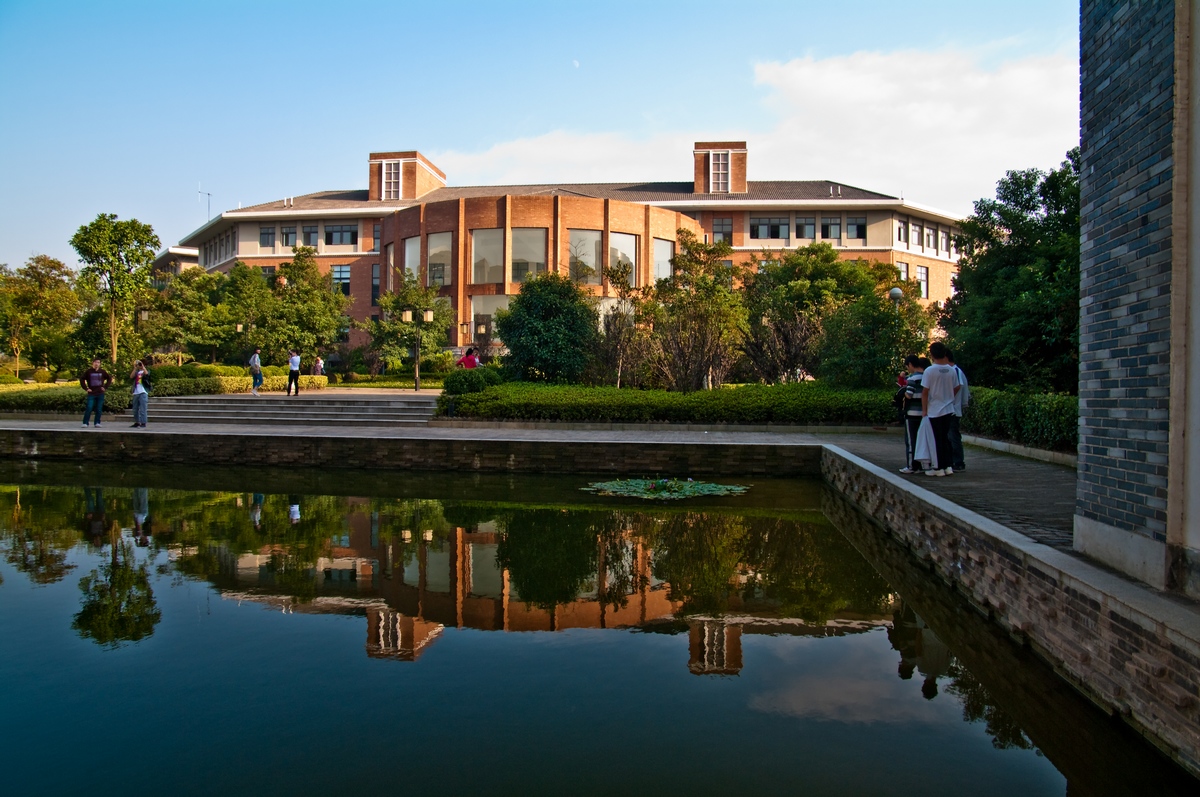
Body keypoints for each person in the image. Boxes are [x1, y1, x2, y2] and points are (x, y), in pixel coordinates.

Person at [921, 341, 961, 477]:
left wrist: (924, 410)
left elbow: (925, 392)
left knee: (936, 439)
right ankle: (948, 465)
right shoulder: (951, 370)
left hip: (934, 409)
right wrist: (949, 396)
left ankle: (938, 467)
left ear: (931, 354)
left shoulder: (929, 371)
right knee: (946, 438)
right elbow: (957, 387)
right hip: (949, 408)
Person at [898, 355, 926, 474]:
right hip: (924, 413)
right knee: (921, 440)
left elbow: (909, 394)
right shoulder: (926, 377)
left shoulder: (912, 378)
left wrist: (903, 393)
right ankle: (922, 465)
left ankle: (911, 466)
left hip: (912, 413)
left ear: (910, 364)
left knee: (911, 440)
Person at [947, 351, 970, 471]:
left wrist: (948, 397)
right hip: (953, 408)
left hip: (953, 409)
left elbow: (959, 386)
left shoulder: (955, 371)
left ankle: (958, 461)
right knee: (951, 435)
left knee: (953, 435)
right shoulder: (956, 371)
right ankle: (954, 460)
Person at [80, 358, 112, 427]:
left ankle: (97, 422)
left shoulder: (102, 372)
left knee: (99, 408)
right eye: (95, 362)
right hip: (91, 393)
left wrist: (105, 387)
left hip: (100, 393)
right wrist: (86, 388)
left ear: (100, 364)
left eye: (98, 362)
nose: (96, 364)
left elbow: (109, 378)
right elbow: (82, 379)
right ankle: (85, 422)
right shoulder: (89, 372)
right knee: (89, 407)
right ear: (93, 363)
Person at [129, 360, 151, 428]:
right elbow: (131, 376)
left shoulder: (146, 371)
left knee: (143, 409)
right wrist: (135, 368)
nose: (140, 365)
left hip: (143, 392)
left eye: (140, 364)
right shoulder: (137, 372)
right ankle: (137, 422)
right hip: (136, 392)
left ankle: (143, 422)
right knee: (135, 409)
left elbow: (147, 374)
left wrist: (143, 367)